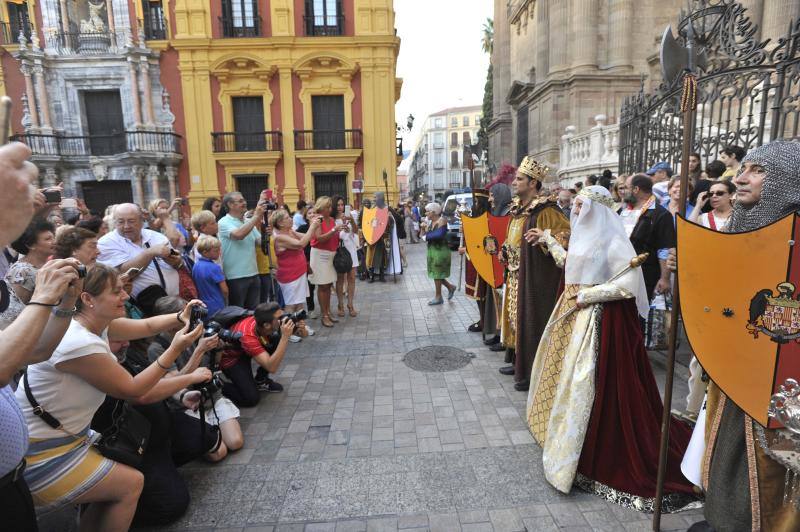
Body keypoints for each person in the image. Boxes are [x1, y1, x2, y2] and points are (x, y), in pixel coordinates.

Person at [524, 185, 695, 510]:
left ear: (596, 209)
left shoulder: (615, 241)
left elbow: (627, 285)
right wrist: (547, 240)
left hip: (598, 321)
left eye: (579, 205)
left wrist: (588, 296)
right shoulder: (583, 236)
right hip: (573, 314)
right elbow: (571, 267)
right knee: (567, 378)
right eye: (574, 205)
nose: (574, 210)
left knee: (591, 384)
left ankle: (590, 449)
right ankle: (567, 437)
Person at [15, 264, 208, 529]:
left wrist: (180, 317)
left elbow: (148, 325)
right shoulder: (78, 342)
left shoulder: (93, 325)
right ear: (88, 299)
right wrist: (175, 349)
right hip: (41, 453)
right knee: (130, 484)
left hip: (62, 440)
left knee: (117, 488)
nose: (126, 296)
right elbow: (132, 389)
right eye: (116, 291)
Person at [688, 141, 800, 532]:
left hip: (780, 380)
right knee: (728, 449)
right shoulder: (743, 222)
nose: (741, 177)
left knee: (773, 463)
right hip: (737, 363)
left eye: (757, 170)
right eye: (744, 167)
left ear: (788, 180)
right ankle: (728, 519)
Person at [500, 157, 570, 391]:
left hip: (535, 277)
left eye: (519, 179)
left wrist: (545, 237)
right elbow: (513, 235)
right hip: (515, 273)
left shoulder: (546, 209)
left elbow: (565, 237)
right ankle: (519, 359)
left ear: (533, 183)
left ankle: (533, 369)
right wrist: (504, 250)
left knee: (530, 319)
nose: (514, 183)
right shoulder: (518, 208)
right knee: (514, 319)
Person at [146, 296, 242, 459]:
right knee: (219, 454)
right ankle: (204, 432)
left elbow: (214, 365)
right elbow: (175, 383)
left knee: (235, 442)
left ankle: (212, 430)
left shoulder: (195, 330)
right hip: (187, 404)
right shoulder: (157, 348)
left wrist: (217, 350)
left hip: (210, 395)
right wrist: (199, 350)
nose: (192, 317)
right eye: (187, 313)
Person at [97, 203, 182, 298]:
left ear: (142, 221)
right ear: (114, 222)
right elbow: (122, 273)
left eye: (131, 221)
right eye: (120, 222)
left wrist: (176, 262)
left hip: (173, 300)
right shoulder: (106, 242)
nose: (126, 226)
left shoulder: (156, 236)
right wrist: (150, 252)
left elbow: (176, 263)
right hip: (141, 306)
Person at [219, 302, 293, 406]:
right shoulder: (248, 336)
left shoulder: (261, 320)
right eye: (280, 318)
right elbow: (272, 367)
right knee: (251, 399)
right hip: (232, 359)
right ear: (266, 325)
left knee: (276, 337)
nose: (284, 319)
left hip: (245, 349)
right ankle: (218, 384)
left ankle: (260, 380)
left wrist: (301, 329)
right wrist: (285, 337)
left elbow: (304, 334)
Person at [618, 174, 675, 300]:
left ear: (636, 190)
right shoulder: (622, 211)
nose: (622, 192)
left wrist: (665, 278)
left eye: (626, 188)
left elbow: (665, 249)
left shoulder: (661, 214)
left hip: (645, 277)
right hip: (620, 274)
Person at [270, 208, 319, 337]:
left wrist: (313, 226)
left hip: (299, 273)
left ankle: (300, 326)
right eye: (287, 218)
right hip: (289, 276)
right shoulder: (279, 237)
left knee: (300, 302)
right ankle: (287, 331)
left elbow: (309, 237)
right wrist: (312, 227)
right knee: (290, 305)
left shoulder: (290, 231)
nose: (291, 219)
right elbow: (301, 244)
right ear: (280, 223)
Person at [217, 192, 265, 309]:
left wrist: (268, 229)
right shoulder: (224, 222)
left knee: (253, 313)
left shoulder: (247, 222)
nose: (244, 203)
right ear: (230, 204)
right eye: (240, 201)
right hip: (235, 276)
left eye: (244, 200)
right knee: (238, 313)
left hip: (253, 273)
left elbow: (260, 242)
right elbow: (239, 235)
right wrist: (255, 217)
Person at [484, 183, 512, 349]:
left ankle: (504, 338)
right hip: (496, 263)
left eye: (492, 195)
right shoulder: (497, 213)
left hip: (507, 265)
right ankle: (497, 333)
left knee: (505, 303)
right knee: (496, 302)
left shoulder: (509, 215)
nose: (490, 199)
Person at [309, 196, 340, 328]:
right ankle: (324, 315)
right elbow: (320, 238)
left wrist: (340, 230)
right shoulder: (316, 220)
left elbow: (335, 236)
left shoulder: (332, 219)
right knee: (322, 286)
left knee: (328, 285)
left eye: (330, 206)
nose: (330, 209)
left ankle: (327, 311)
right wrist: (334, 230)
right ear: (321, 208)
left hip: (330, 255)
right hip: (320, 255)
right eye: (327, 206)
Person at [420, 202, 455, 305]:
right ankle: (450, 287)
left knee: (437, 274)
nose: (426, 214)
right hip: (432, 250)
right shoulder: (430, 222)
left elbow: (438, 235)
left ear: (433, 212)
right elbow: (422, 236)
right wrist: (422, 229)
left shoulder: (442, 220)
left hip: (441, 251)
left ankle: (438, 296)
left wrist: (426, 236)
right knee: (436, 274)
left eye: (427, 211)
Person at [363, 192, 400, 283]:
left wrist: (390, 218)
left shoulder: (387, 209)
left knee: (383, 257)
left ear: (380, 198)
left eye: (375, 197)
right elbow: (369, 222)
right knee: (372, 257)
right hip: (374, 237)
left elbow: (395, 221)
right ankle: (372, 276)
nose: (374, 199)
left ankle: (382, 276)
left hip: (384, 237)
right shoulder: (373, 209)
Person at [333, 196, 359, 318]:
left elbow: (356, 231)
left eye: (342, 205)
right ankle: (340, 305)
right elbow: (332, 235)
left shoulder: (349, 216)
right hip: (340, 250)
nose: (340, 207)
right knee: (340, 279)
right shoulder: (332, 219)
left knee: (352, 278)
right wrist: (339, 229)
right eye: (338, 205)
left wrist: (351, 221)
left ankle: (350, 304)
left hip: (351, 249)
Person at [192, 235, 228, 318]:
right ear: (205, 252)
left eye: (219, 249)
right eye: (216, 250)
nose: (219, 252)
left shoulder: (195, 266)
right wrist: (225, 299)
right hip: (217, 305)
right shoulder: (215, 267)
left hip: (202, 305)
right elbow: (225, 290)